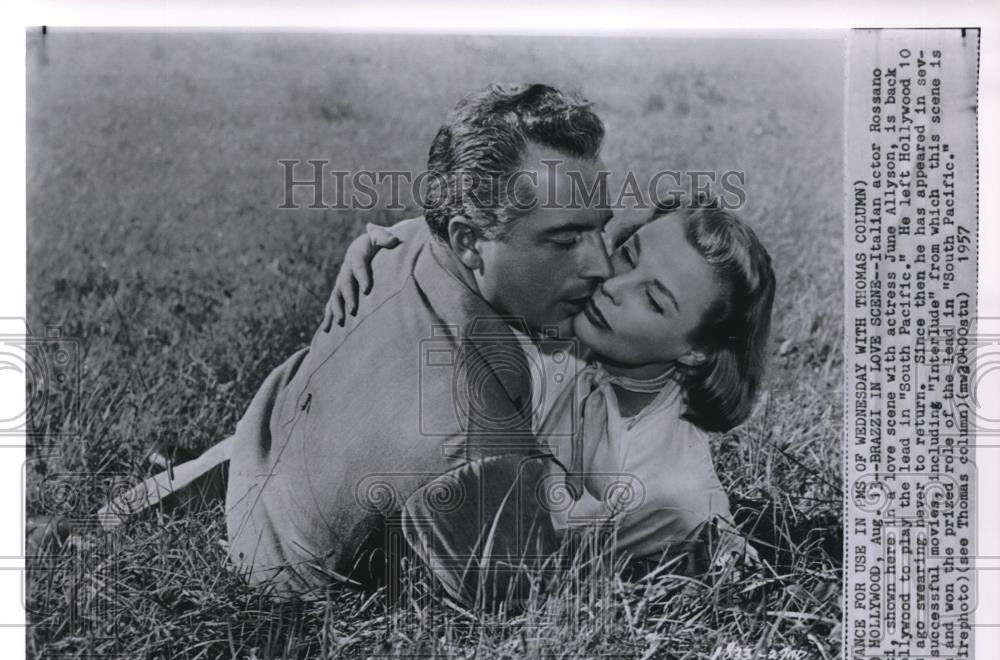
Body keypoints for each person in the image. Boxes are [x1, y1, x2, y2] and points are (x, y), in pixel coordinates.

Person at [102, 83, 615, 608]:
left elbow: (415, 229)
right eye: (565, 240)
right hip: (277, 564)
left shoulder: (404, 245)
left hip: (268, 437)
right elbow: (527, 599)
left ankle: (151, 498)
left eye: (601, 229)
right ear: (468, 240)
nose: (602, 264)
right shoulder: (475, 443)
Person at [328, 197, 775, 575]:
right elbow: (479, 250)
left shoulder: (667, 488)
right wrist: (382, 251)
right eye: (629, 255)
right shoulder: (579, 322)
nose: (614, 286)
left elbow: (521, 558)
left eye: (653, 299)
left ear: (695, 351)